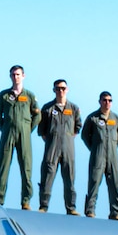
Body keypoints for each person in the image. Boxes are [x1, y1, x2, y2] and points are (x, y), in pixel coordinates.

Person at [0, 66, 37, 208]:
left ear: (23, 76)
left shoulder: (29, 96)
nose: (15, 77)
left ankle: (26, 200)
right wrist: (5, 128)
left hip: (24, 133)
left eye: (18, 74)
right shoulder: (4, 95)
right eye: (13, 75)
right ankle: (0, 197)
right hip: (8, 133)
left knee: (26, 166)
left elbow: (37, 114)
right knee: (3, 165)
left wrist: (28, 129)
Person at [37, 79, 79, 214]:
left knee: (69, 177)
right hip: (52, 146)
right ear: (54, 90)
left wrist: (66, 137)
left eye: (63, 88)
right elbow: (42, 130)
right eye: (58, 88)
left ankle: (71, 208)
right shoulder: (48, 108)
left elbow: (77, 128)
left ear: (67, 89)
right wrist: (52, 139)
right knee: (48, 175)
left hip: (68, 147)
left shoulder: (73, 108)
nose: (60, 91)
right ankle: (43, 206)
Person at [81, 90, 118, 218]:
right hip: (97, 155)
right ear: (100, 102)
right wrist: (94, 148)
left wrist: (113, 147)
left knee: (114, 184)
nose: (107, 103)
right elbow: (84, 135)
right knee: (94, 182)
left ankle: (116, 212)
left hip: (112, 156)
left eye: (110, 100)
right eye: (104, 100)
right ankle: (90, 210)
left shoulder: (116, 118)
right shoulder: (93, 118)